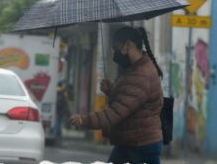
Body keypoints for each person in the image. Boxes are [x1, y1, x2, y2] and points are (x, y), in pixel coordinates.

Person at [69, 26, 164, 164]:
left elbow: (115, 113)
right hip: (131, 141)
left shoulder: (140, 75)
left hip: (140, 145)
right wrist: (112, 90)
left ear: (128, 45)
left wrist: (84, 120)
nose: (115, 54)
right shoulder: (136, 68)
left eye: (116, 48)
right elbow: (131, 99)